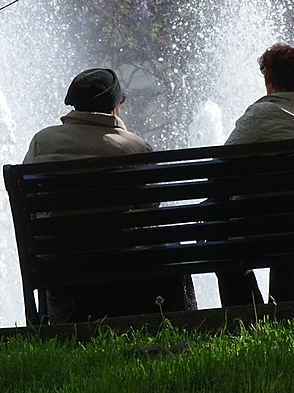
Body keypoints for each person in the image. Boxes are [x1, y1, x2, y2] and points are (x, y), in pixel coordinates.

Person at [23, 68, 196, 323]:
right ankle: (183, 318)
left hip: (63, 262)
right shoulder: (135, 147)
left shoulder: (41, 142)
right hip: (124, 260)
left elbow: (29, 203)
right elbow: (150, 205)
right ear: (115, 106)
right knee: (168, 240)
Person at [217, 43, 294, 306]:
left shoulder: (261, 115)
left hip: (261, 229)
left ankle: (248, 314)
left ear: (269, 78)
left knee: (213, 225)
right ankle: (285, 311)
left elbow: (221, 165)